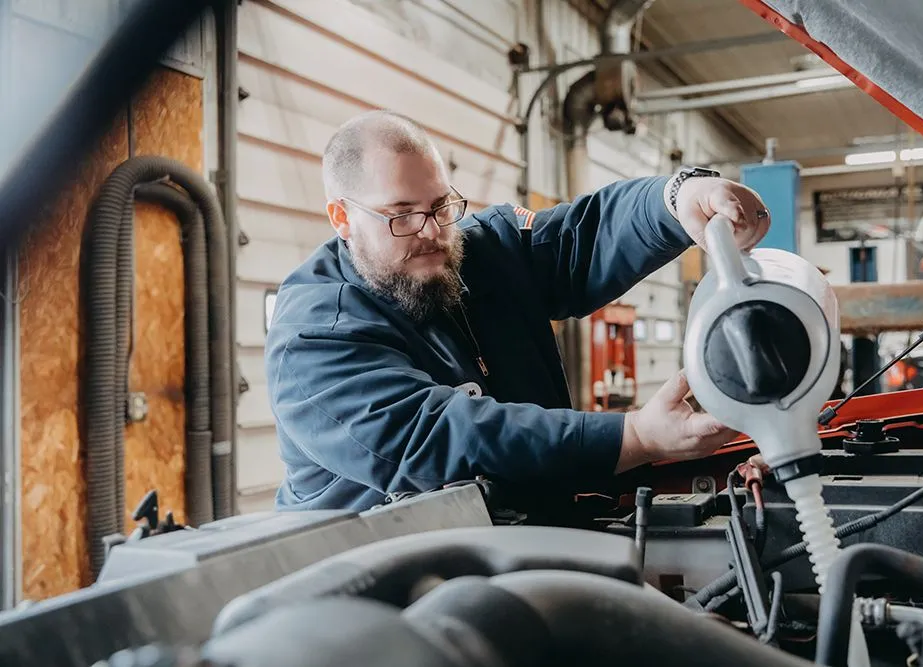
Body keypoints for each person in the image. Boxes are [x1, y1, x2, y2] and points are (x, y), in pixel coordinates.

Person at [264, 109, 771, 513]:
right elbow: (438, 437)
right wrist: (634, 436)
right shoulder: (314, 336)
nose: (433, 232)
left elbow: (581, 237)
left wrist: (678, 198)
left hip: (506, 545)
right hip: (369, 589)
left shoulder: (477, 252)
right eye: (402, 215)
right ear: (342, 217)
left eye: (441, 206)